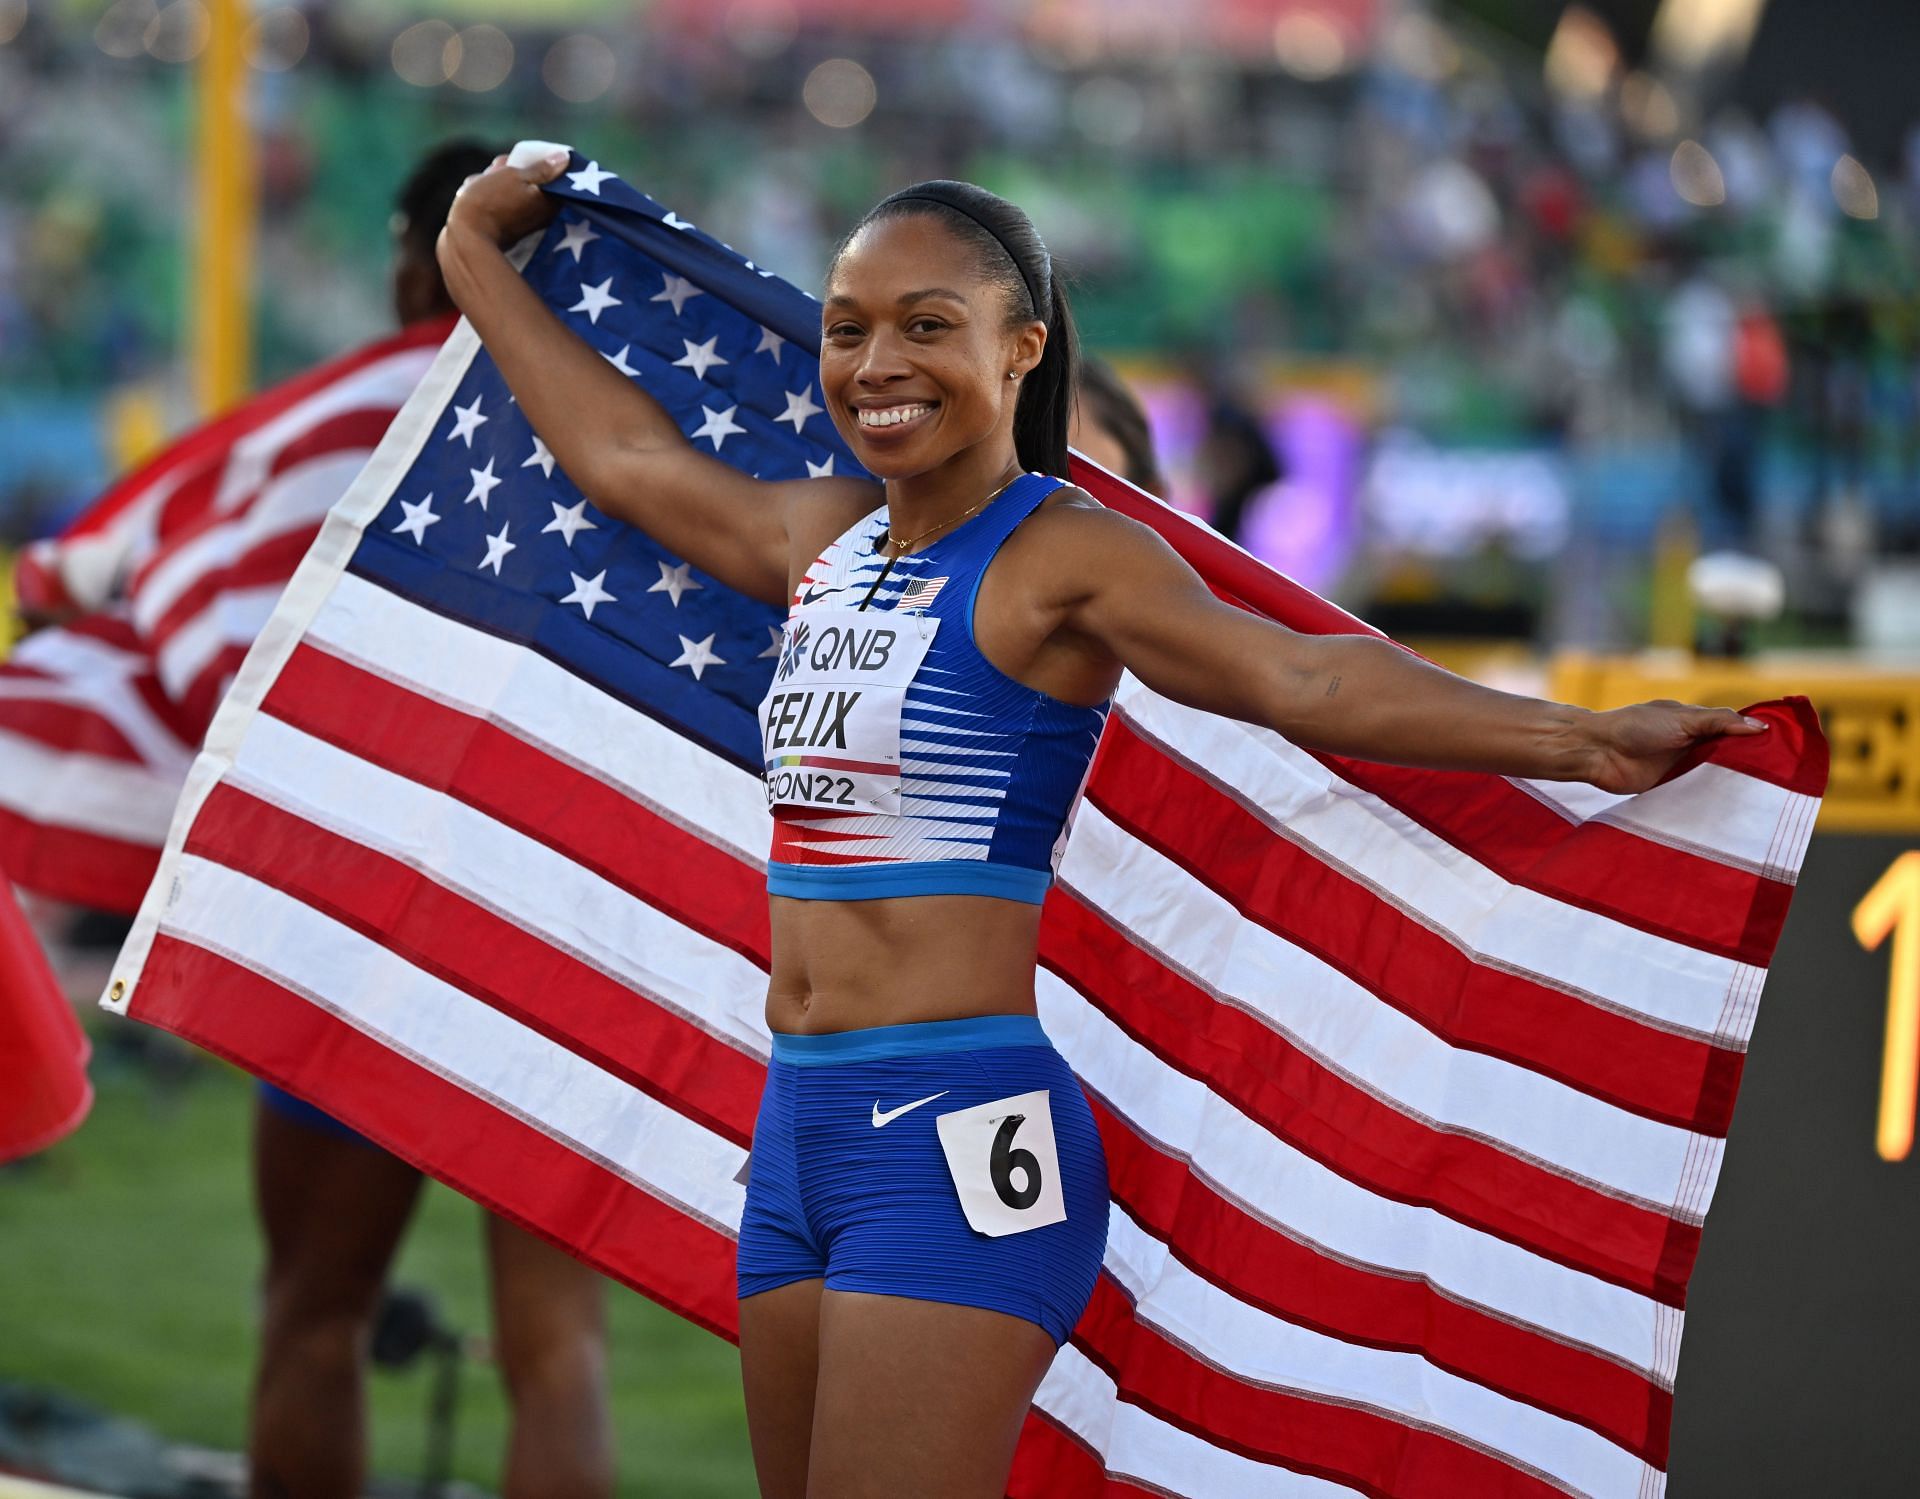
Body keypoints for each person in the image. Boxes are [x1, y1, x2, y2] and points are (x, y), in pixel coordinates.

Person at [439, 158, 1768, 1499]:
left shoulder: (1063, 557)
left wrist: (1581, 739)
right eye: (848, 327)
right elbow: (622, 459)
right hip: (801, 1130)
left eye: (925, 324)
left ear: (1021, 349)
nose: (874, 361)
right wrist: (473, 255)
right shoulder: (826, 539)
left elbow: (1296, 677)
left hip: (952, 1133)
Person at [247, 142, 614, 1499]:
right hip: (553, 918)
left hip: (364, 910)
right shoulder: (628, 434)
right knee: (558, 1350)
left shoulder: (344, 424)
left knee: (313, 1314)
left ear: (419, 257)